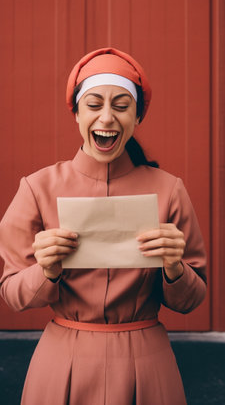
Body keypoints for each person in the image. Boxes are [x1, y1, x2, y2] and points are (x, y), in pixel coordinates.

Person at [0, 47, 207, 405]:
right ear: (76, 112)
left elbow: (193, 298)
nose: (107, 118)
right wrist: (45, 271)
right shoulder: (37, 188)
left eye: (122, 106)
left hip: (148, 362)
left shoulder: (169, 189)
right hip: (62, 360)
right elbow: (11, 293)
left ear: (138, 116)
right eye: (94, 104)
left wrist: (175, 269)